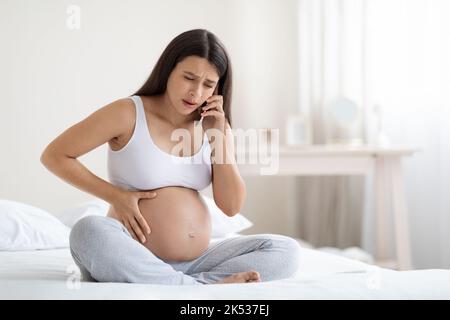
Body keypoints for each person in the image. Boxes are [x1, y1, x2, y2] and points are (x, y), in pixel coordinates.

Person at [40, 29, 301, 285]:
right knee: (88, 232)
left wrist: (218, 137)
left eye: (208, 84)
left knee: (284, 250)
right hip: (131, 253)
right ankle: (193, 287)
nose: (196, 93)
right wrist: (115, 196)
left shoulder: (216, 126)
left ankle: (187, 283)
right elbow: (55, 155)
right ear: (168, 70)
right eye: (189, 78)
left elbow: (231, 206)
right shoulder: (128, 113)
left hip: (198, 260)